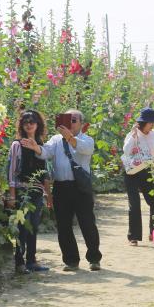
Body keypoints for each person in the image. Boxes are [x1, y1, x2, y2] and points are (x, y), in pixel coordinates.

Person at [20, 109, 102, 271]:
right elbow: (45, 153)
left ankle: (94, 258)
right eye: (66, 119)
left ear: (81, 123)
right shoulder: (56, 140)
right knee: (63, 225)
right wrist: (36, 148)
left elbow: (85, 150)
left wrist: (69, 137)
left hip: (80, 187)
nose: (69, 123)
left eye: (73, 120)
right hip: (61, 187)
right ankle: (71, 261)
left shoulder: (86, 139)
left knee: (87, 223)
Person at [6, 110, 52, 274]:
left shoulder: (41, 145)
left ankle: (32, 261)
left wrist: (48, 194)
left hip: (37, 192)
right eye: (26, 121)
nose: (29, 124)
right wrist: (12, 194)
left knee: (33, 226)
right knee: (22, 227)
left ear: (38, 124)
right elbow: (11, 171)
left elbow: (45, 173)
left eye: (32, 121)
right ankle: (19, 263)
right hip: (21, 191)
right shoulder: (17, 145)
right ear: (22, 125)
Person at [122, 107, 154, 246]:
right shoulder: (133, 134)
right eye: (150, 123)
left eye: (153, 123)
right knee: (134, 205)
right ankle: (133, 237)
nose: (152, 126)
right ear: (143, 123)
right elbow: (126, 151)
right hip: (132, 172)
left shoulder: (152, 134)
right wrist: (133, 136)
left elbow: (153, 151)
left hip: (145, 170)